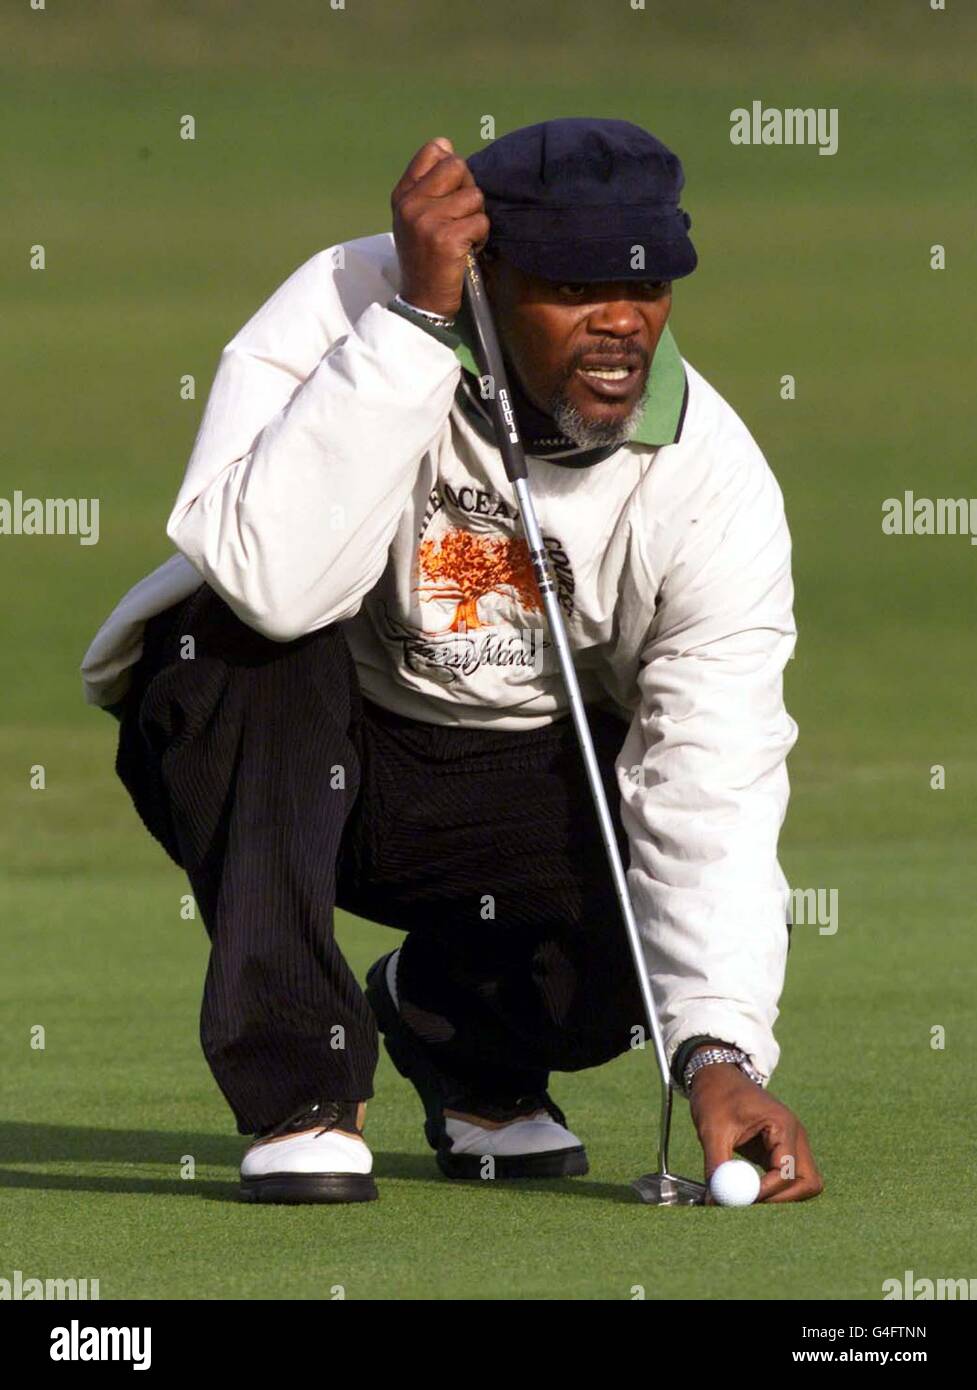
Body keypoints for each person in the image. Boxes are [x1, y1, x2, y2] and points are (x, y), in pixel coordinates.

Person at [80, 117, 823, 1204]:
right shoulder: (344, 303)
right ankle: (303, 1096)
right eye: (573, 287)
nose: (622, 322)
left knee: (640, 924)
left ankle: (456, 1029)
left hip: (508, 790)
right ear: (483, 268)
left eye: (650, 287)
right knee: (228, 644)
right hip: (298, 759)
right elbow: (268, 578)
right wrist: (418, 328)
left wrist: (718, 1055)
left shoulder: (715, 481)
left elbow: (712, 767)